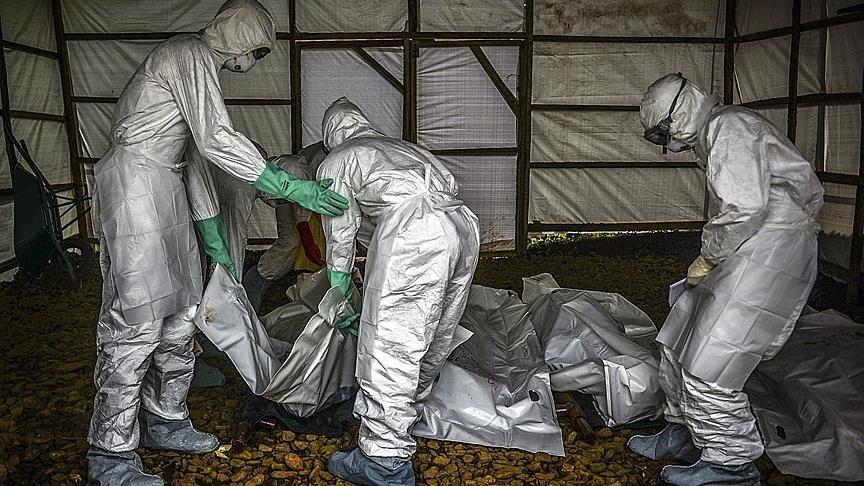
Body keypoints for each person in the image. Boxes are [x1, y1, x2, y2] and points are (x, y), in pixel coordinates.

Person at [87, 1, 348, 484]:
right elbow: (215, 138)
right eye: (256, 50)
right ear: (239, 35)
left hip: (166, 187)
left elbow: (194, 166)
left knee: (183, 315)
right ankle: (111, 453)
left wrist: (214, 243)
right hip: (135, 186)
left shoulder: (197, 72)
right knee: (138, 321)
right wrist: (290, 186)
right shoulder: (189, 52)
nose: (252, 61)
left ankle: (166, 419)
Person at [628, 73, 824, 486]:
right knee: (676, 340)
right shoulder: (717, 132)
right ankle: (686, 432)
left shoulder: (728, 127)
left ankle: (730, 463)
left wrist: (708, 256)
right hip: (752, 243)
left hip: (772, 248)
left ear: (679, 115)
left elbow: (743, 209)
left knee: (712, 362)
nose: (667, 144)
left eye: (663, 133)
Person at [318, 98, 480, 486]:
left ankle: (384, 458)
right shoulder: (403, 148)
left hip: (415, 232)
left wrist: (339, 288)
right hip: (462, 225)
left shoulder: (338, 159)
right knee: (435, 332)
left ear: (330, 135)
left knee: (391, 344)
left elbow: (341, 233)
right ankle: (406, 414)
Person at [240, 142, 329, 311]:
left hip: (301, 187)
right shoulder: (301, 168)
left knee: (301, 241)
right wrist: (307, 239)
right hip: (289, 183)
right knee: (290, 241)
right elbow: (299, 200)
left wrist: (308, 239)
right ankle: (255, 282)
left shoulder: (348, 161)